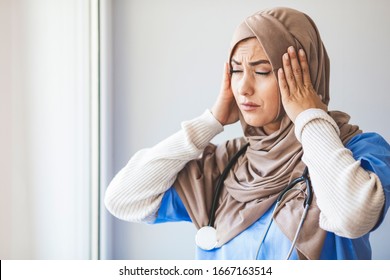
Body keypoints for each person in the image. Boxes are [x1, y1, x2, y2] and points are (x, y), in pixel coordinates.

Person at [104, 7, 390, 260]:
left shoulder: (358, 152)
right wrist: (211, 120)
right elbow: (123, 200)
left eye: (262, 71)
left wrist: (309, 117)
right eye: (236, 70)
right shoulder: (226, 163)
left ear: (308, 74)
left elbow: (353, 217)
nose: (243, 88)